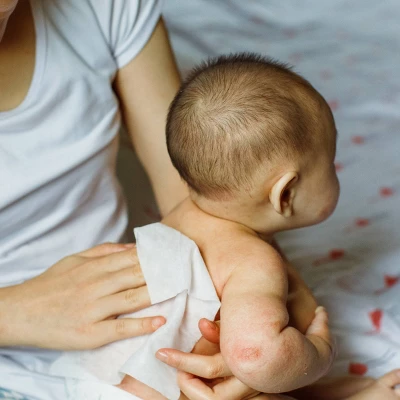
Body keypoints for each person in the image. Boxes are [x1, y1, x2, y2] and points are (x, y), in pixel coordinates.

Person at [0, 0, 252, 398]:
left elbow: (194, 198)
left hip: (115, 327)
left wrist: (254, 291)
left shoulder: (101, 9)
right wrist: (17, 313)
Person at [118, 54, 400, 399]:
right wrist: (320, 353)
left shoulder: (180, 218)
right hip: (177, 392)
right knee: (277, 374)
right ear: (285, 194)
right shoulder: (253, 261)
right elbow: (255, 357)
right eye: (330, 163)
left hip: (126, 378)